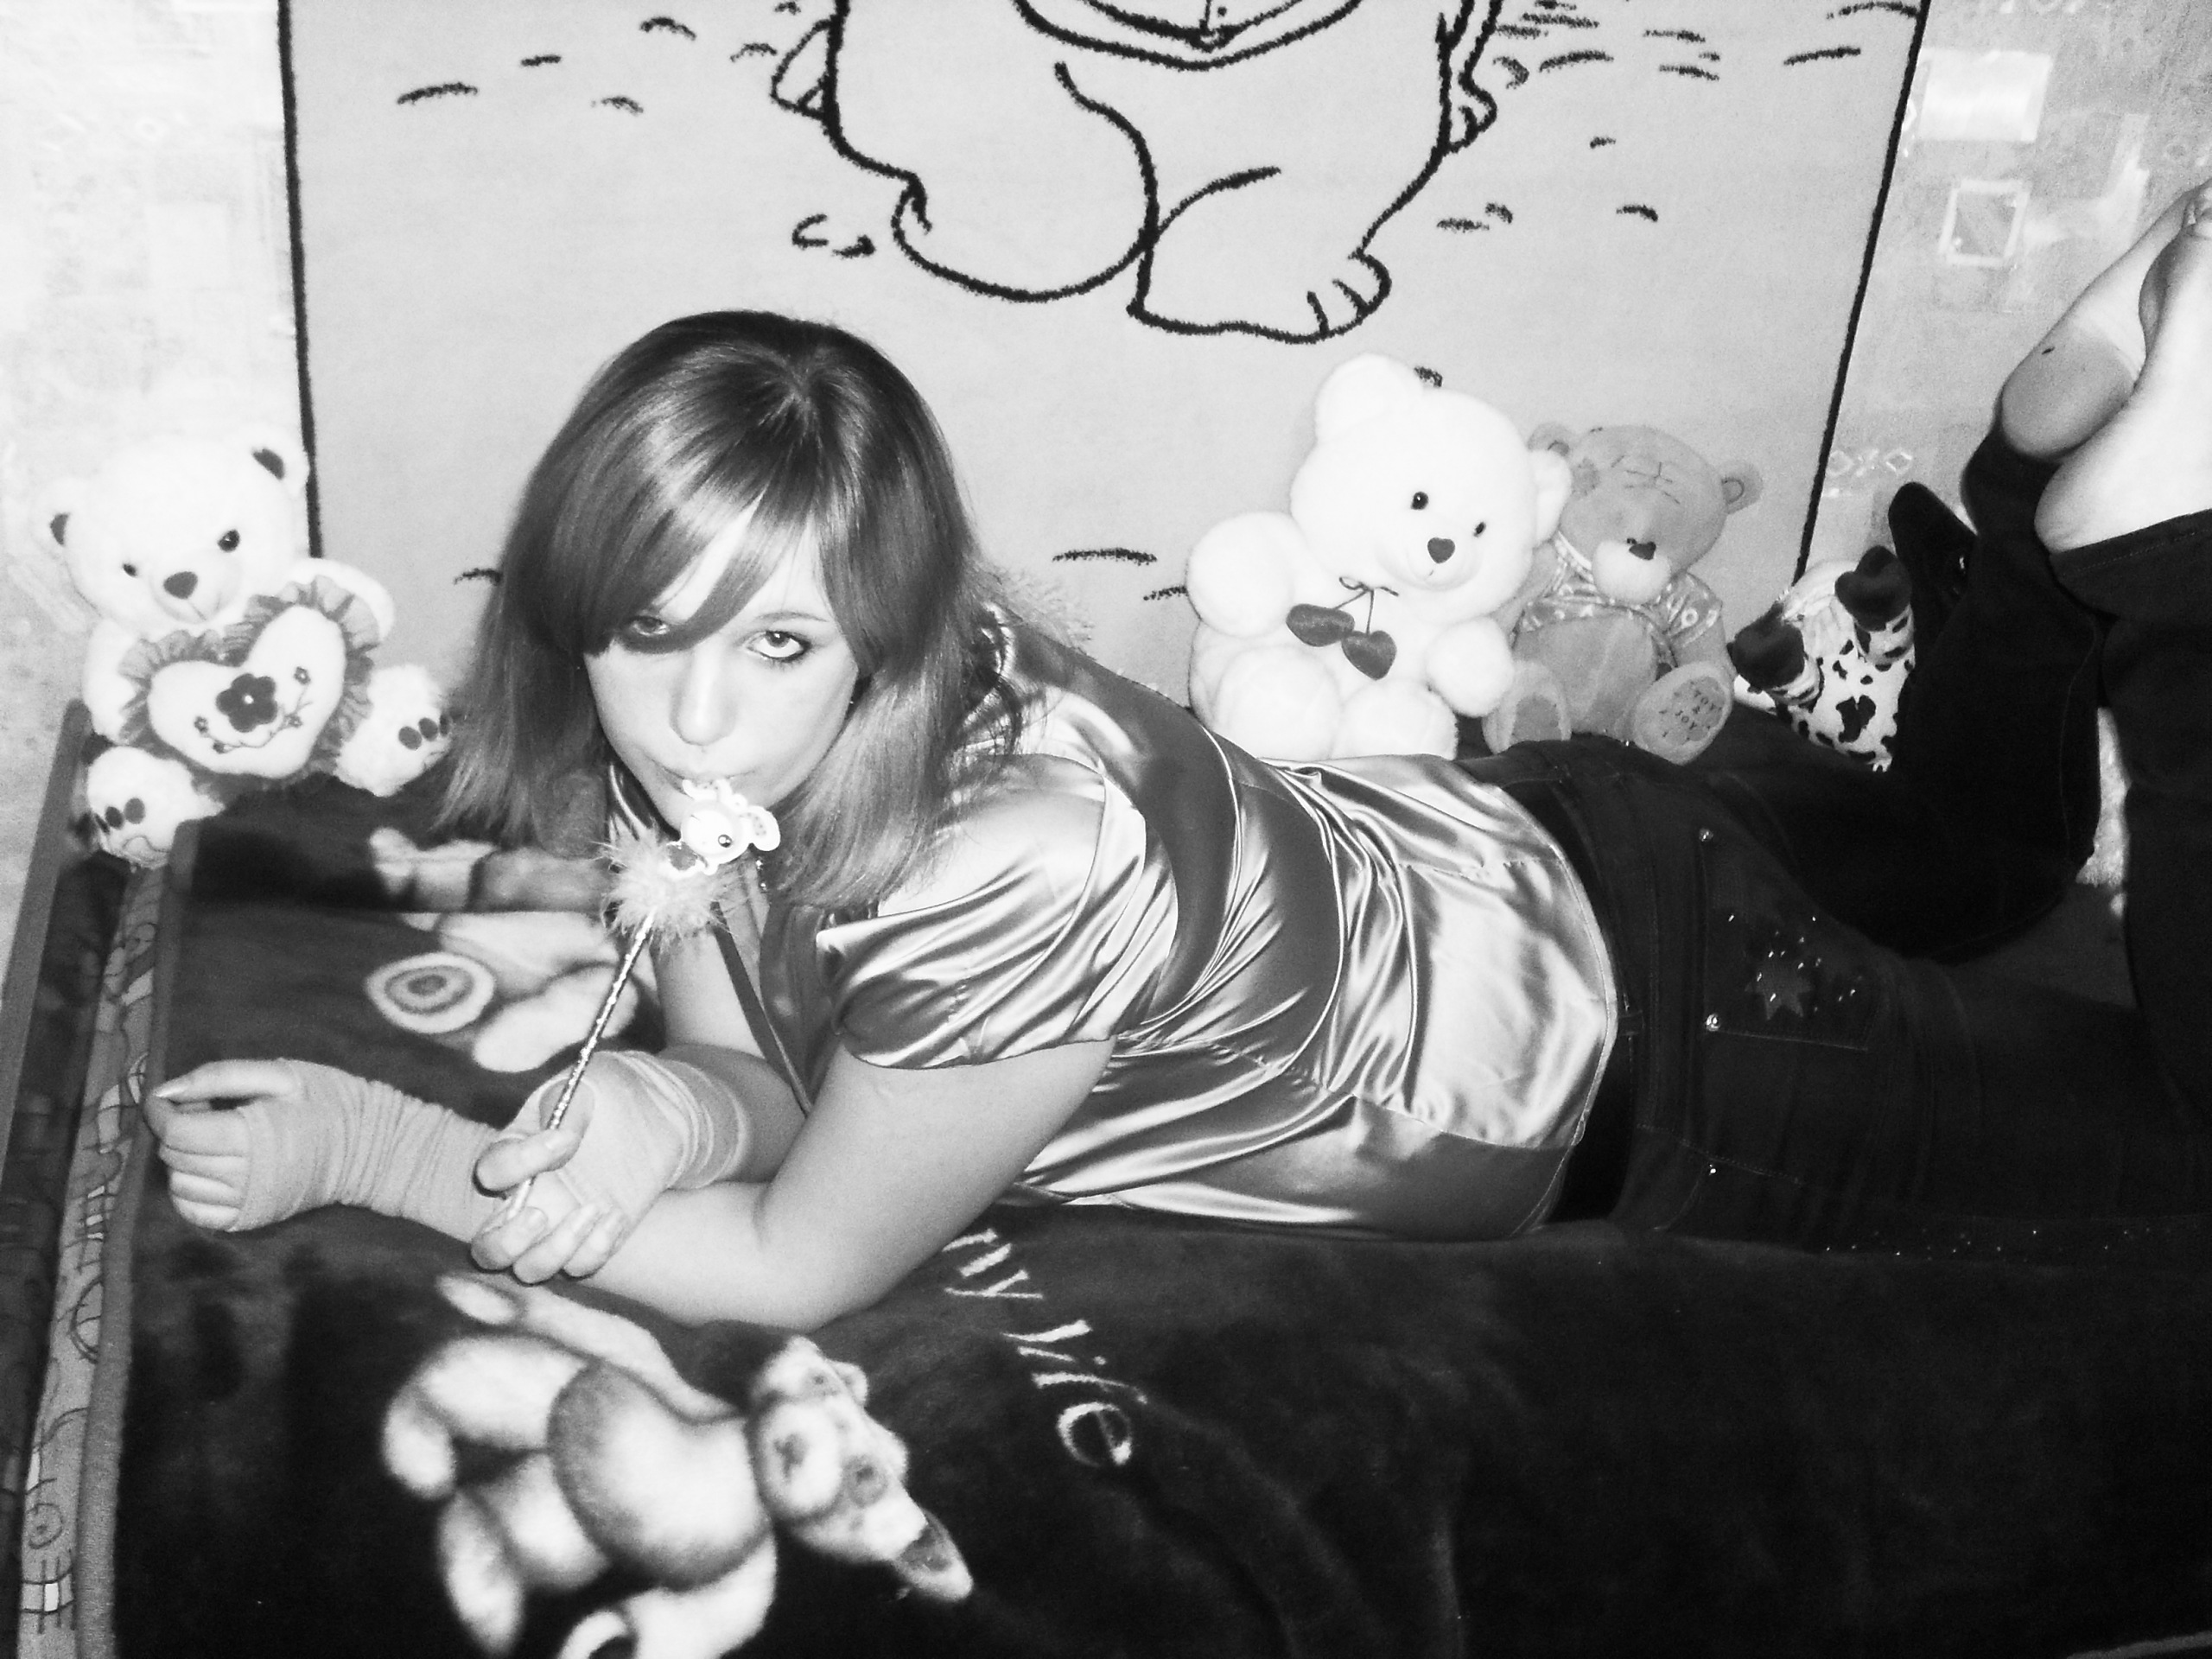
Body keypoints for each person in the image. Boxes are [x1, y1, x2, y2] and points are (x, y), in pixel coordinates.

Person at [146, 185, 2212, 1332]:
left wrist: (380, 1150)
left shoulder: (1009, 859)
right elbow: (763, 1061)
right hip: (1555, 835)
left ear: (878, 613)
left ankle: (2173, 564)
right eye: (644, 631)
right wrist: (661, 1115)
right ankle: (2048, 514)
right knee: (1980, 863)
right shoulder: (751, 732)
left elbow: (804, 1264)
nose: (694, 716)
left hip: (1666, 1046)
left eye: (773, 641)